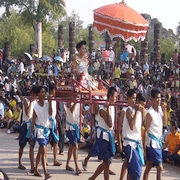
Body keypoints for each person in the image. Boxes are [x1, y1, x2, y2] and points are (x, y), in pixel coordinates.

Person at [88, 87, 117, 180]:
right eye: (115, 97)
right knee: (106, 162)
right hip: (102, 136)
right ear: (110, 96)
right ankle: (92, 178)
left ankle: (93, 178)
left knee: (107, 163)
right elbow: (109, 124)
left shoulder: (111, 106)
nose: (116, 99)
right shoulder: (102, 108)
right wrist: (108, 109)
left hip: (108, 135)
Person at [143, 88, 167, 180]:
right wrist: (144, 147)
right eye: (157, 98)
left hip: (158, 141)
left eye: (160, 98)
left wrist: (164, 110)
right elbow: (146, 130)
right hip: (152, 142)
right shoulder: (150, 113)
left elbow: (164, 124)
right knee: (160, 168)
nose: (159, 100)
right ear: (152, 99)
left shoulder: (160, 109)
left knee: (149, 165)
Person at [120, 89, 144, 180]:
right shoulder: (129, 110)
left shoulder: (138, 111)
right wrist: (137, 112)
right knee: (136, 171)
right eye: (133, 98)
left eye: (135, 98)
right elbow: (132, 126)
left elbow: (139, 131)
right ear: (128, 98)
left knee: (132, 170)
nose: (134, 100)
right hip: (130, 143)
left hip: (136, 143)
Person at [29, 86, 52, 179]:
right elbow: (33, 121)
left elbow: (50, 113)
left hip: (46, 129)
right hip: (39, 131)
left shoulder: (47, 103)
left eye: (44, 92)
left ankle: (36, 169)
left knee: (41, 152)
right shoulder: (35, 107)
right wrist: (31, 134)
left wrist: (50, 103)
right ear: (38, 94)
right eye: (42, 92)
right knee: (43, 150)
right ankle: (46, 172)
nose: (44, 94)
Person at [64, 97, 88, 175]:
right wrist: (75, 102)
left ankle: (67, 164)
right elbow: (71, 110)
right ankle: (77, 167)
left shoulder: (79, 101)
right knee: (75, 146)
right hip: (70, 128)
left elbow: (82, 112)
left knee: (72, 146)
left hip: (75, 127)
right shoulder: (69, 100)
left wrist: (90, 109)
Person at [18, 85, 37, 172]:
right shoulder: (26, 100)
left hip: (32, 124)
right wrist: (30, 102)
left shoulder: (35, 101)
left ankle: (32, 166)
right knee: (22, 145)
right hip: (25, 124)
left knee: (32, 145)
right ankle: (20, 162)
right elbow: (28, 112)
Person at [48, 83, 62, 166]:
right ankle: (45, 160)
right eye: (54, 90)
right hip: (47, 123)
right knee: (45, 143)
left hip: (54, 122)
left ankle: (55, 159)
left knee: (56, 141)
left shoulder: (55, 99)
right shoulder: (48, 99)